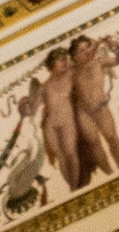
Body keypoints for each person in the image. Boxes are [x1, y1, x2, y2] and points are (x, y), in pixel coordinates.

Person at [19, 50, 82, 190]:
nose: (65, 62)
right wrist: (23, 106)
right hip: (50, 125)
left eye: (66, 58)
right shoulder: (44, 87)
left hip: (67, 121)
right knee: (61, 156)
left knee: (71, 153)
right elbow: (33, 110)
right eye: (61, 59)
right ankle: (73, 188)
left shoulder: (70, 76)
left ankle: (78, 186)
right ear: (51, 64)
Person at [68, 36, 119, 181]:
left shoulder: (99, 62)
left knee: (112, 137)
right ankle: (110, 175)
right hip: (84, 113)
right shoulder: (72, 72)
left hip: (101, 108)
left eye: (87, 47)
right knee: (94, 144)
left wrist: (117, 46)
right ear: (74, 56)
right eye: (81, 50)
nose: (86, 52)